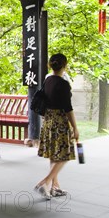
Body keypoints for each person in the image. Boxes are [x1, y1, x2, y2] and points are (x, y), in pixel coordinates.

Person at [34, 53, 79, 200]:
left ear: (50, 65)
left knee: (54, 154)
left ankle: (54, 186)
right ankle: (45, 181)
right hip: (59, 121)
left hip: (48, 120)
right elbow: (68, 108)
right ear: (65, 65)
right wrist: (75, 127)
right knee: (64, 154)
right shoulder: (63, 84)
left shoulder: (48, 80)